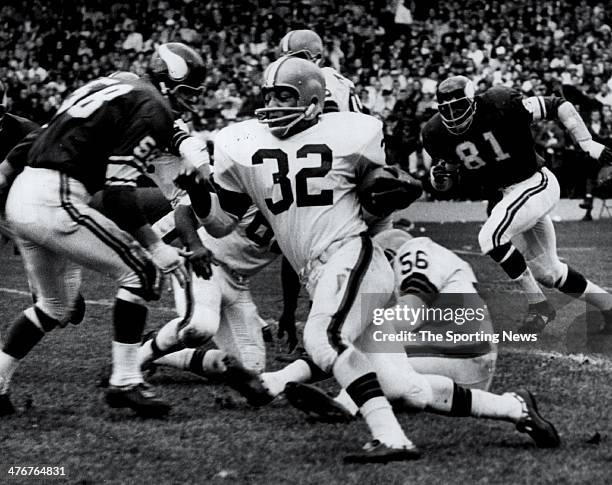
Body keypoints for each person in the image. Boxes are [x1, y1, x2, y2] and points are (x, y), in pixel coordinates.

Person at [176, 56, 422, 463]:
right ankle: (515, 410)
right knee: (405, 386)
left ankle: (392, 438)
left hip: (350, 255)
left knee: (324, 339)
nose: (272, 104)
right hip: (320, 268)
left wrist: (398, 190)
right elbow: (220, 226)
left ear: (312, 102)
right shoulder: (243, 142)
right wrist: (201, 196)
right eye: (269, 94)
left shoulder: (353, 132)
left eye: (284, 95)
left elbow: (376, 201)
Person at [0, 43, 205, 418]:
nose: (189, 101)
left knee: (54, 306)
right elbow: (118, 194)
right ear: (168, 81)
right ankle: (126, 381)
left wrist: (8, 189)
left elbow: (27, 146)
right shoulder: (151, 105)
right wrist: (157, 246)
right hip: (55, 197)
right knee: (142, 272)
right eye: (188, 91)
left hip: (23, 197)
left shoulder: (95, 91)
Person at [226, 228, 560, 451]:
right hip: (461, 360)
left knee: (353, 343)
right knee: (411, 389)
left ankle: (334, 400)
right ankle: (514, 407)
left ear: (388, 254)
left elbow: (408, 316)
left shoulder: (416, 251)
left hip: (458, 349)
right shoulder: (422, 262)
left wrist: (365, 325)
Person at [426, 76, 612, 334]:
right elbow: (447, 181)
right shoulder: (435, 133)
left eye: (458, 106)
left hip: (535, 183)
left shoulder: (500, 103)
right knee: (550, 273)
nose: (453, 115)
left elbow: (558, 105)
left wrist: (586, 142)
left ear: (473, 101)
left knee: (490, 237)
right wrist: (438, 180)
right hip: (506, 199)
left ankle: (539, 307)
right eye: (445, 109)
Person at [276, 29, 365, 352]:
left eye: (295, 59)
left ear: (315, 58)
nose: (288, 66)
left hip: (330, 168)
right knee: (297, 242)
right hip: (320, 170)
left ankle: (338, 329)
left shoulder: (327, 82)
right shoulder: (322, 81)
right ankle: (314, 322)